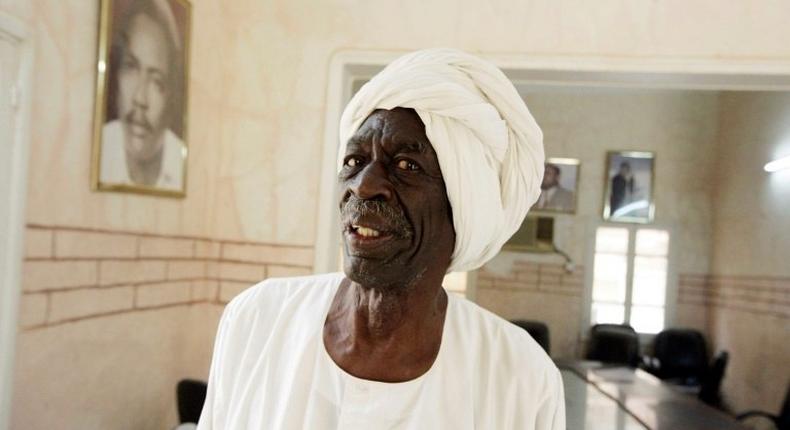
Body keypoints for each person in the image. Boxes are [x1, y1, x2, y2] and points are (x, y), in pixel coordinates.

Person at [197, 49, 565, 429]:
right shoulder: (258, 319)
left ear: (466, 206)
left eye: (407, 166)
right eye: (354, 161)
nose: (364, 186)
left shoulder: (520, 376)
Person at [99, 0, 185, 190]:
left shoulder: (182, 162)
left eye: (157, 81)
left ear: (170, 95)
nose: (140, 98)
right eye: (130, 68)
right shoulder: (100, 147)